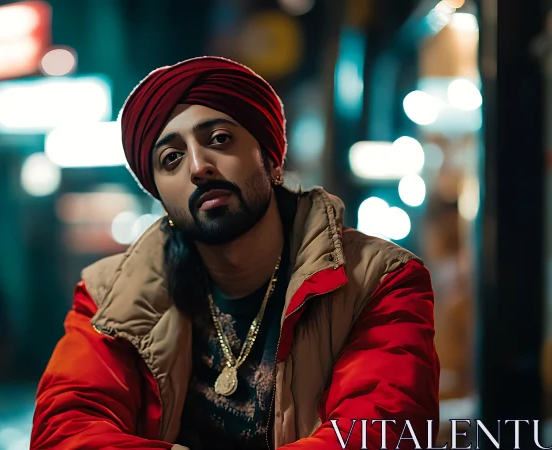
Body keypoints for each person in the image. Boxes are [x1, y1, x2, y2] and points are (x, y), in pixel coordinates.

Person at [31, 56, 439, 450]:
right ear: (159, 195)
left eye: (220, 139)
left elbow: (381, 430)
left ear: (271, 158)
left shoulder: (380, 279)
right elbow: (66, 430)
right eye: (171, 158)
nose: (198, 167)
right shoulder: (109, 296)